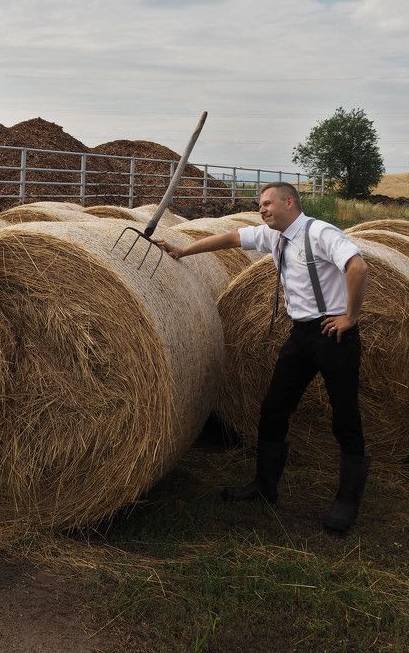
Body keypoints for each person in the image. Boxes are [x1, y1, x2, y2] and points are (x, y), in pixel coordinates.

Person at [155, 182, 370, 533]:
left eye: (268, 203)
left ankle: (347, 503)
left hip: (335, 335)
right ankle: (264, 487)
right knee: (273, 409)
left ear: (290, 202)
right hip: (301, 336)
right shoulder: (274, 236)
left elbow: (357, 267)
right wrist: (181, 250)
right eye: (260, 205)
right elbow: (228, 239)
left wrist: (350, 316)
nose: (262, 209)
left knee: (345, 417)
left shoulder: (319, 232)